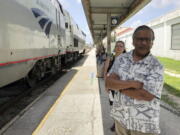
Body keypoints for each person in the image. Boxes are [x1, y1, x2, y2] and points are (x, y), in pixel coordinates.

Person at [105, 25, 164, 135]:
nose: (144, 42)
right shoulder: (121, 59)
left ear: (152, 42)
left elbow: (146, 95)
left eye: (148, 39)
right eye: (140, 39)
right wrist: (131, 84)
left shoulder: (157, 66)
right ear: (133, 41)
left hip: (143, 126)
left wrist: (119, 87)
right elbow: (108, 82)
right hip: (120, 119)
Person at [103, 41, 126, 132]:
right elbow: (105, 73)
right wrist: (106, 85)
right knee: (113, 105)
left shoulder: (127, 59)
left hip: (122, 87)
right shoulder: (110, 58)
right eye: (117, 46)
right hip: (112, 87)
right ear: (115, 47)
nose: (119, 47)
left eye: (121, 46)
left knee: (122, 106)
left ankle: (121, 124)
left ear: (124, 48)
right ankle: (115, 123)